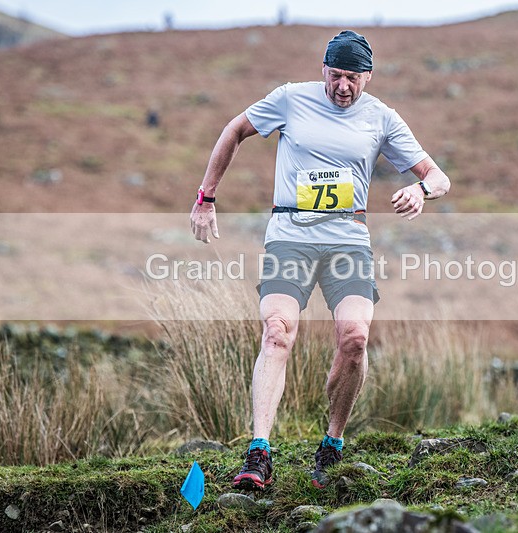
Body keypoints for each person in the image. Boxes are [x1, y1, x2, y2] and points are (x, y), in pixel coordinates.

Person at [189, 30, 450, 490]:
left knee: (355, 339)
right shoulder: (291, 99)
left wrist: (420, 189)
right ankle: (259, 452)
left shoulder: (382, 118)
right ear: (322, 70)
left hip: (348, 240)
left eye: (352, 77)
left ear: (367, 77)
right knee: (276, 333)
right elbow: (234, 130)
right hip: (290, 234)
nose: (342, 87)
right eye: (335, 76)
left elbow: (437, 176)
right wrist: (206, 197)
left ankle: (331, 443)